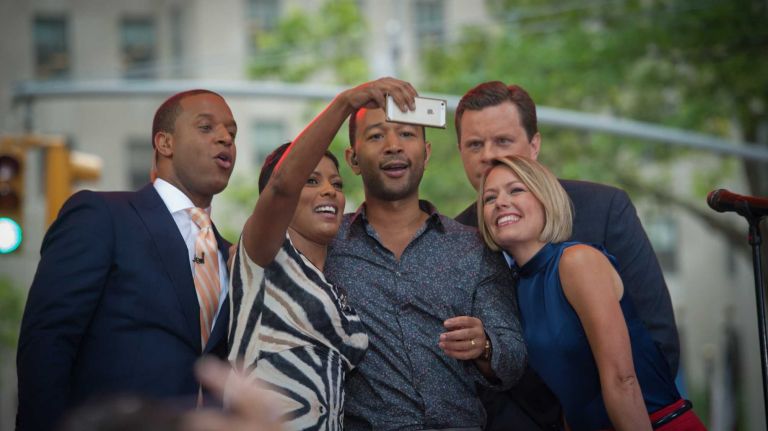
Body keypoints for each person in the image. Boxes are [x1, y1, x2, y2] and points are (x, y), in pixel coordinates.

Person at [453, 81, 680, 430]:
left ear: (534, 145)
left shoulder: (604, 210)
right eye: (474, 144)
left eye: (502, 140)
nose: (488, 155)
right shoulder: (455, 242)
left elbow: (656, 334)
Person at [17, 89, 237, 431]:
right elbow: (47, 341)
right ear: (165, 143)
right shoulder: (101, 215)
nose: (225, 138)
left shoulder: (228, 255)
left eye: (232, 133)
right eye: (207, 128)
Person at [322, 94, 527, 430]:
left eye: (407, 134)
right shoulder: (326, 246)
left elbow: (513, 358)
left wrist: (485, 345)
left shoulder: (472, 245)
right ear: (353, 158)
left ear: (426, 153)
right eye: (376, 136)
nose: (393, 146)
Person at [228, 78, 414, 430]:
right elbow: (282, 186)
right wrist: (345, 103)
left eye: (337, 183)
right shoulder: (263, 255)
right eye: (311, 181)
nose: (329, 190)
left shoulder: (331, 281)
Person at [477, 155, 705, 430]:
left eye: (516, 190)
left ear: (546, 199)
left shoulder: (577, 261)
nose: (500, 202)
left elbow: (623, 380)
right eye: (489, 198)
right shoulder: (515, 287)